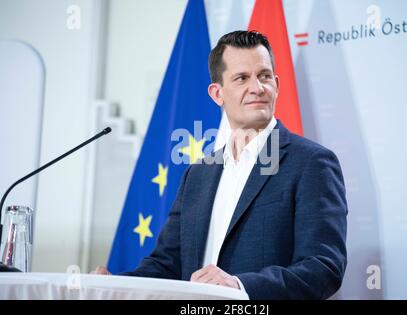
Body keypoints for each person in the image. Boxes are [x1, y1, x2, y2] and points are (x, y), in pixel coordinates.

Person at [93, 30, 348, 300]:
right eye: (241, 78)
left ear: (277, 83)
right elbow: (167, 264)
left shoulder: (312, 163)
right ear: (217, 93)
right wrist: (116, 285)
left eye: (264, 76)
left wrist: (239, 286)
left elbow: (323, 267)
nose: (257, 88)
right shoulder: (198, 173)